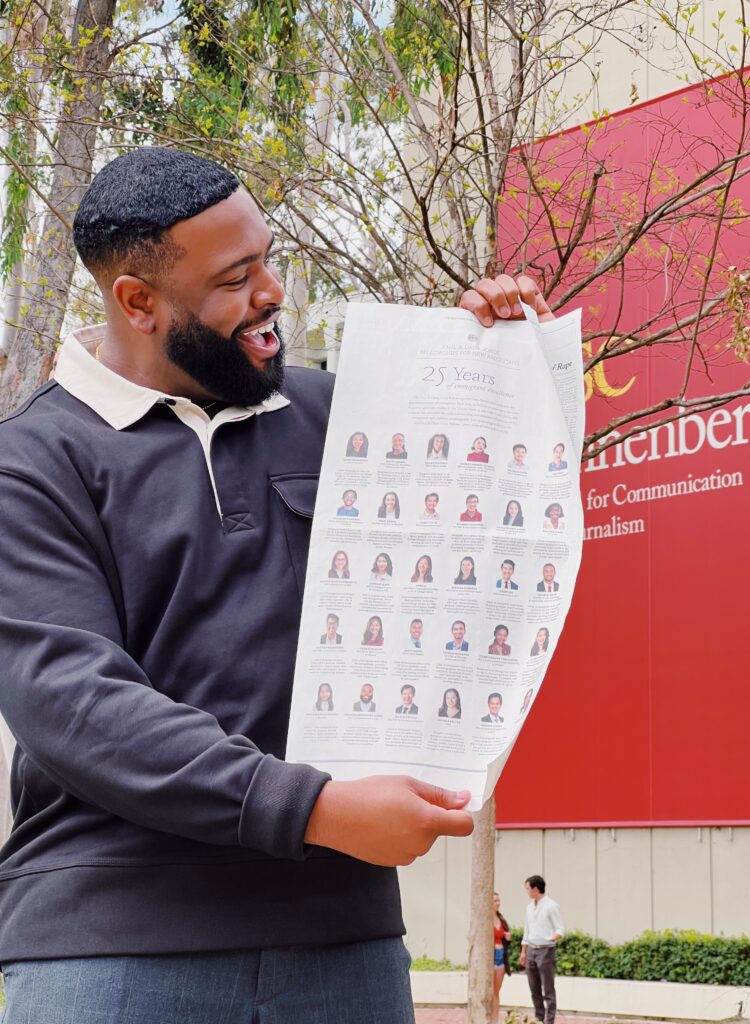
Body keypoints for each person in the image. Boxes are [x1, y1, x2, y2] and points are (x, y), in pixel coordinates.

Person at [0, 145, 554, 1021]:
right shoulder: (31, 463)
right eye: (235, 278)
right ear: (137, 301)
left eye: (267, 257)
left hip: (342, 942)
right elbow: (72, 701)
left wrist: (492, 364)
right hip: (110, 947)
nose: (272, 293)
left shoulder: (343, 414)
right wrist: (314, 809)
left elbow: (475, 547)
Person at [519, 874, 564, 1024]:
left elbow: (560, 930)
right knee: (534, 988)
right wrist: (523, 952)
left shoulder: (551, 906)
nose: (527, 892)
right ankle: (539, 1018)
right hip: (531, 950)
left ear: (536, 889)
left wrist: (549, 939)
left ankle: (549, 1021)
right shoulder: (529, 907)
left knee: (548, 989)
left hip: (546, 950)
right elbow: (527, 930)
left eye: (528, 888)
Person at [493, 891, 512, 1023]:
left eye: (498, 900)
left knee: (496, 991)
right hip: (490, 957)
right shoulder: (485, 920)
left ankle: (495, 1019)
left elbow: (505, 938)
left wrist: (507, 938)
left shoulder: (501, 919)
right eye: (495, 901)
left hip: (501, 957)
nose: (498, 903)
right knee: (489, 991)